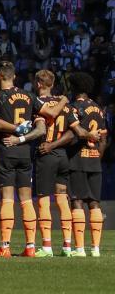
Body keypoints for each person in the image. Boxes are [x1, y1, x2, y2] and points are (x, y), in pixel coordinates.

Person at [0, 62, 45, 257]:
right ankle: (31, 246)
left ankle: (5, 247)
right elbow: (48, 113)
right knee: (26, 200)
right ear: (14, 76)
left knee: (7, 198)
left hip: (5, 148)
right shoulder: (30, 96)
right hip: (25, 151)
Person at [30, 69, 96, 257]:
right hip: (63, 156)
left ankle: (47, 246)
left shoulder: (38, 103)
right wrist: (90, 134)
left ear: (38, 84)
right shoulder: (66, 106)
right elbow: (76, 131)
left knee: (43, 198)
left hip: (46, 154)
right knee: (62, 198)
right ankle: (67, 245)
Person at [65, 73, 106, 257]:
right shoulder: (99, 109)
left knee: (77, 200)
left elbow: (73, 135)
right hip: (95, 160)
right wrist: (97, 156)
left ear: (74, 88)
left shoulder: (73, 108)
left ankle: (80, 249)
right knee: (94, 202)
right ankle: (95, 248)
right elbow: (104, 139)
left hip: (77, 160)